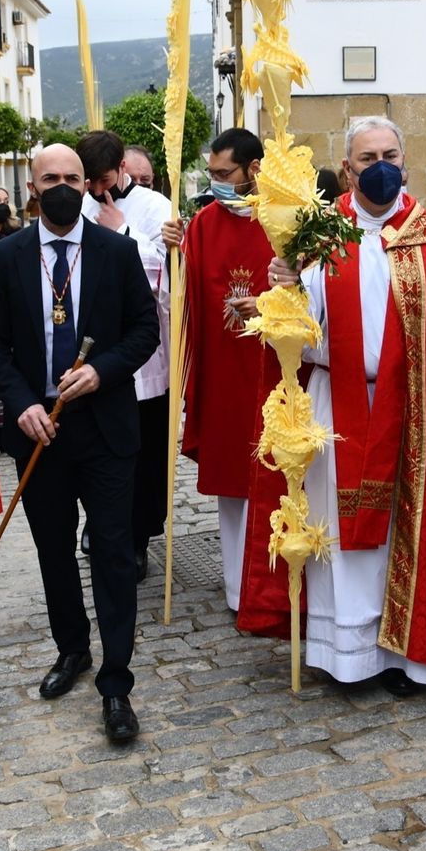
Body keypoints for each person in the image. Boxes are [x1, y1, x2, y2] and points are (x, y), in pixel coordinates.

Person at [247, 116, 426, 695]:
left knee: (404, 531)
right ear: (348, 169)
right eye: (368, 158)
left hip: (412, 409)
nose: (381, 166)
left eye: (390, 155)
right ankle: (345, 655)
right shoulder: (314, 235)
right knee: (337, 534)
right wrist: (283, 287)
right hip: (331, 404)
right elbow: (293, 332)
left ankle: (406, 656)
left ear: (405, 162)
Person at [0, 143, 160, 743]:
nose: (61, 186)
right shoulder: (7, 255)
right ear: (31, 187)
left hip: (105, 429)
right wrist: (23, 402)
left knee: (112, 553)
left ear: (89, 185)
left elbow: (144, 330)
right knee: (53, 550)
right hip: (40, 429)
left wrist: (103, 371)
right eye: (49, 177)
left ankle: (116, 683)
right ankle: (72, 648)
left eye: (72, 178)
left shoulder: (116, 249)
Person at [162, 127, 273, 610]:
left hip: (274, 372)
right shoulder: (204, 224)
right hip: (225, 374)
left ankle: (279, 586)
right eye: (212, 173)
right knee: (232, 486)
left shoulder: (285, 219)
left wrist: (269, 304)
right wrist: (172, 254)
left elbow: (312, 293)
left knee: (281, 480)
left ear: (254, 170)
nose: (217, 182)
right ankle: (238, 589)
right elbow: (179, 300)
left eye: (225, 174)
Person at [78, 130, 174, 579]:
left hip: (144, 357)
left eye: (103, 179)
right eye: (90, 181)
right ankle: (98, 525)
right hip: (93, 351)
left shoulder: (156, 208)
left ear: (120, 168)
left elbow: (164, 277)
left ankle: (137, 538)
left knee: (143, 455)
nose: (97, 189)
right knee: (96, 451)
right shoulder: (79, 205)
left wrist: (121, 232)